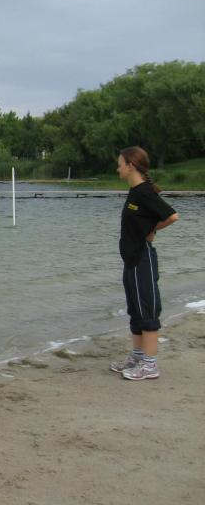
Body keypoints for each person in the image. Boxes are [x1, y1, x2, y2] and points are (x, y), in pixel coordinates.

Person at [109, 146, 179, 380]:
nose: (117, 168)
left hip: (142, 258)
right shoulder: (134, 192)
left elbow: (172, 215)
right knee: (135, 310)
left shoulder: (144, 193)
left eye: (120, 164)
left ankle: (150, 365)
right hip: (131, 260)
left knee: (147, 310)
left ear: (130, 166)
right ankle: (137, 356)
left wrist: (152, 230)